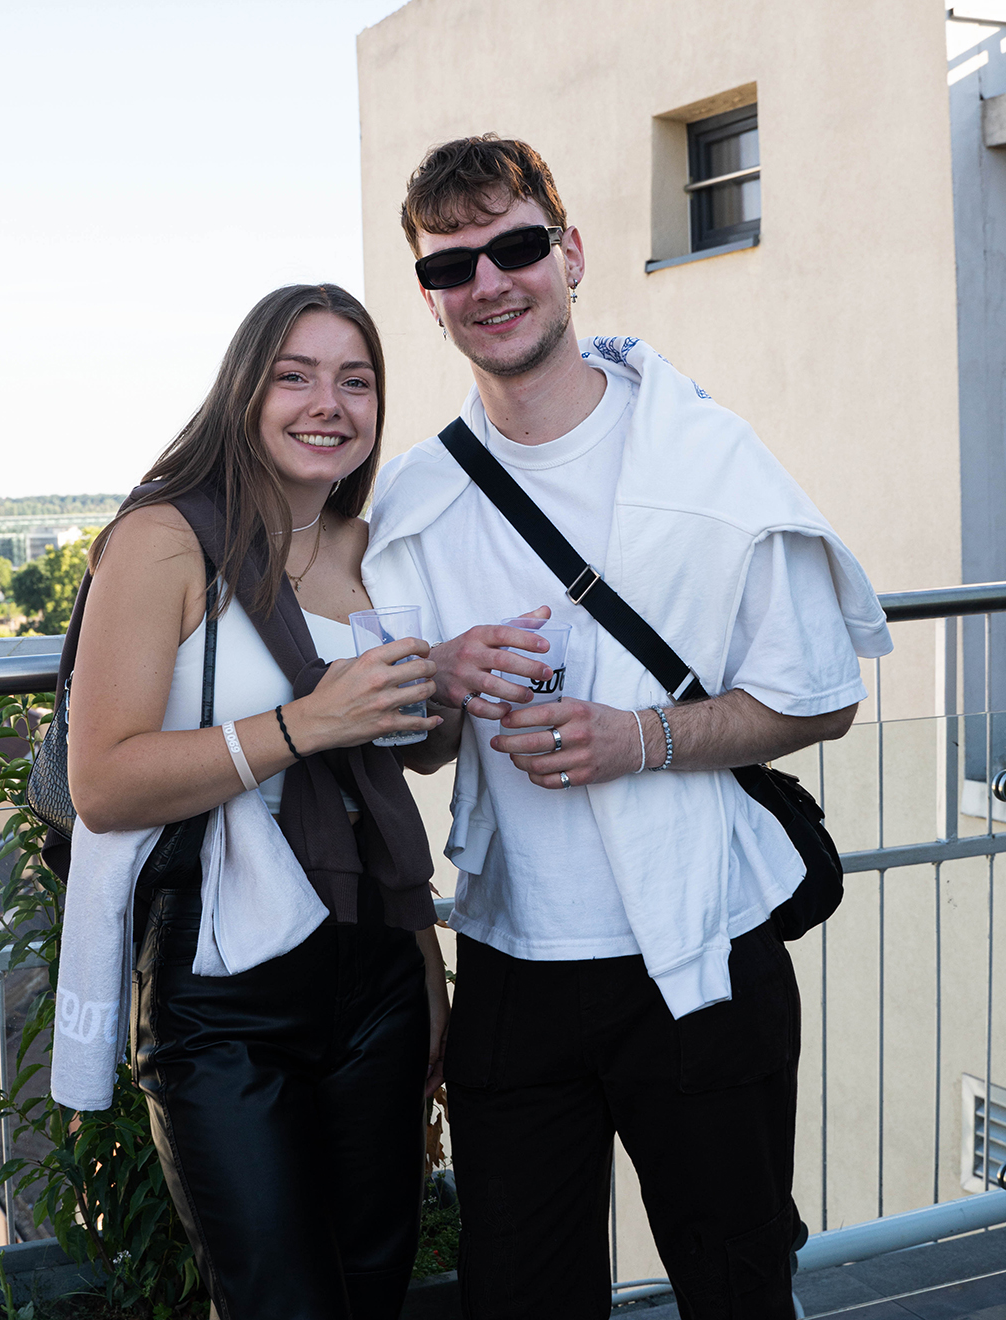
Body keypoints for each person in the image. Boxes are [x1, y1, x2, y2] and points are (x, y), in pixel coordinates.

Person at [362, 137, 893, 1319]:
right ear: (430, 300)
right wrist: (439, 680)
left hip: (703, 949)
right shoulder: (418, 497)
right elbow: (420, 750)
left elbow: (823, 695)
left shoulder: (705, 455)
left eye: (514, 246)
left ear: (570, 254)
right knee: (521, 1298)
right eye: (451, 266)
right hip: (512, 961)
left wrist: (637, 740)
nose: (488, 283)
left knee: (737, 1287)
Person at [62, 284, 450, 1320]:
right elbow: (103, 783)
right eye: (295, 376)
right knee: (279, 1300)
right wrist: (306, 723)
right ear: (244, 391)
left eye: (356, 380)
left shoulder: (373, 550)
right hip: (222, 978)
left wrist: (453, 684)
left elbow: (401, 762)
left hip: (377, 958)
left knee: (373, 1290)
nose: (329, 403)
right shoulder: (165, 538)